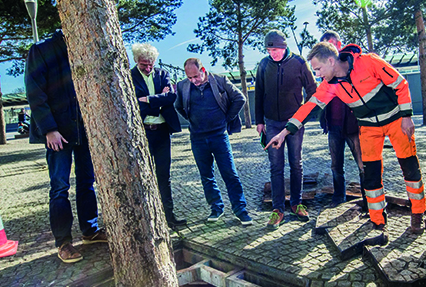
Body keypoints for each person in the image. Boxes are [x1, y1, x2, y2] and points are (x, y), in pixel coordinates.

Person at [266, 42, 426, 233]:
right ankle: (378, 220)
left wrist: (406, 117)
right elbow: (308, 107)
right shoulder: (330, 86)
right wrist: (284, 133)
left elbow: (401, 84)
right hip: (367, 127)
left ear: (331, 61)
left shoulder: (368, 62)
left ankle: (417, 213)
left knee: (410, 168)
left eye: (318, 69)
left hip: (396, 121)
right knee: (371, 175)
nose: (317, 74)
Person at [25, 30, 106, 263]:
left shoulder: (85, 46)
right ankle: (63, 242)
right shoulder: (41, 50)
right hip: (57, 133)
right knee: (60, 186)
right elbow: (35, 93)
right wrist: (49, 129)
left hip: (84, 130)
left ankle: (89, 230)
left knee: (87, 182)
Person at [175, 58, 252, 225]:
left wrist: (227, 118)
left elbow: (240, 98)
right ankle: (216, 208)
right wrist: (191, 119)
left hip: (219, 136)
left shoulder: (220, 80)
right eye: (189, 78)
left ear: (203, 70)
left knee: (230, 174)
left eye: (196, 76)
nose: (193, 81)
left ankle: (241, 210)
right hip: (197, 138)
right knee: (206, 176)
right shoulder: (182, 86)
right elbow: (178, 106)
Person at [255, 29, 317, 229]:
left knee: (296, 163)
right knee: (276, 166)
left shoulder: (299, 63)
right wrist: (259, 121)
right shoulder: (263, 65)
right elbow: (258, 93)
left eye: (277, 49)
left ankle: (297, 203)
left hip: (294, 122)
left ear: (285, 46)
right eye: (270, 49)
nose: (274, 53)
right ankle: (278, 209)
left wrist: (302, 116)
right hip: (272, 122)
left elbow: (312, 90)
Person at [130, 43, 185, 228]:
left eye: (150, 64)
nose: (147, 68)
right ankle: (146, 219)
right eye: (144, 64)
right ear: (136, 61)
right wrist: (158, 101)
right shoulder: (130, 77)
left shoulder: (162, 74)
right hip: (142, 133)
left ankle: (168, 217)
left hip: (162, 132)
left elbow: (171, 97)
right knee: (143, 176)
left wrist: (148, 99)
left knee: (164, 175)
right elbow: (134, 105)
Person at [319, 31, 364, 208]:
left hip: (353, 125)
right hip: (334, 126)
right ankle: (339, 197)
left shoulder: (350, 64)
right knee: (336, 166)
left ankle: (369, 198)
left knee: (363, 164)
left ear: (338, 43)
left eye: (330, 44)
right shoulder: (326, 71)